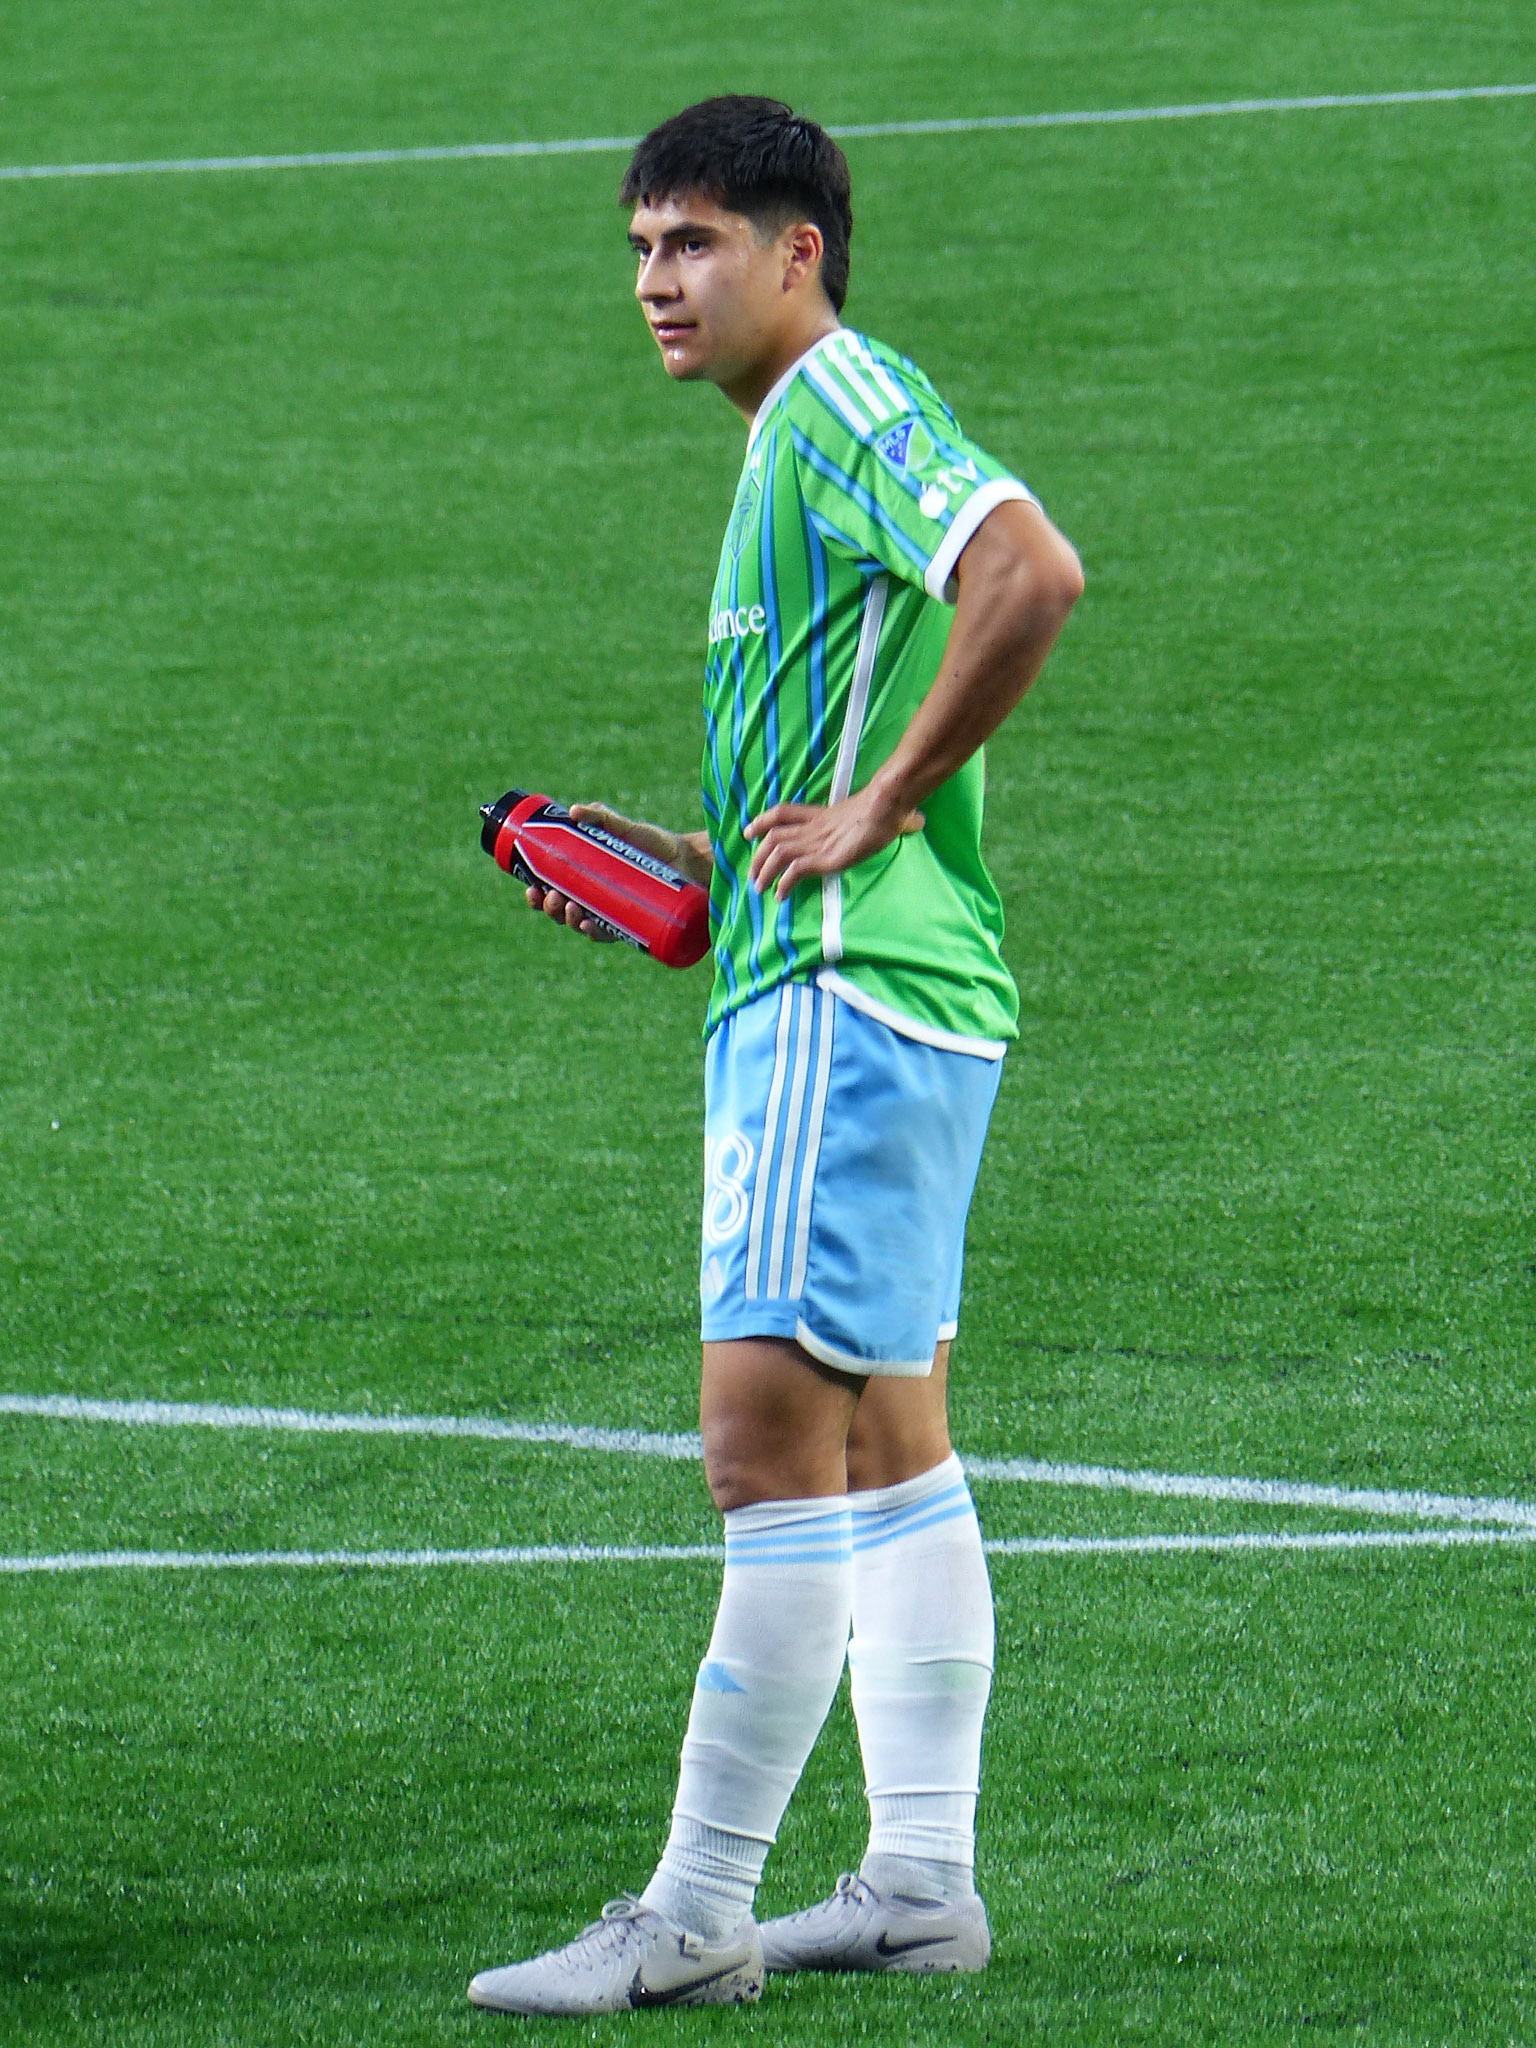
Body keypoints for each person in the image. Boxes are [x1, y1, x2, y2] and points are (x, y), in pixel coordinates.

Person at [468, 94, 1083, 2017]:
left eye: (695, 242)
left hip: (842, 992)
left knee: (761, 1443)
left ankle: (693, 1912)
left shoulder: (835, 401)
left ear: (797, 251)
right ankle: (917, 1883)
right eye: (641, 249)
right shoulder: (781, 447)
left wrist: (878, 806)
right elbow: (844, 713)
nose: (657, 281)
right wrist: (707, 858)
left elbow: (1030, 569)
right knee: (889, 1440)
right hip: (872, 982)